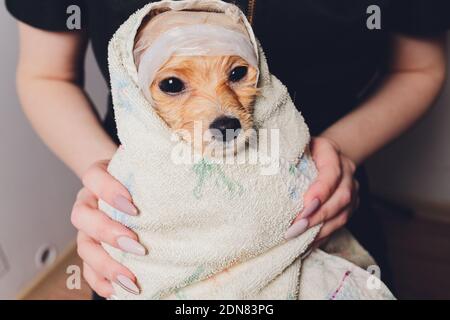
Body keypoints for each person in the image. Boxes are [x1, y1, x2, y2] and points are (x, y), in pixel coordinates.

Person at [6, 0, 448, 299]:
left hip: (321, 202)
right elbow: (47, 75)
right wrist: (110, 178)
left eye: (238, 75)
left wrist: (343, 151)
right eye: (174, 84)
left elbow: (419, 66)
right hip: (140, 235)